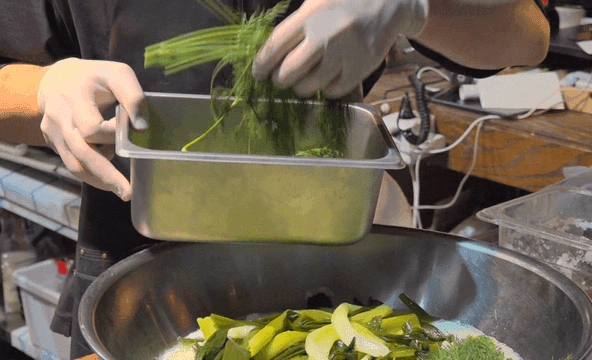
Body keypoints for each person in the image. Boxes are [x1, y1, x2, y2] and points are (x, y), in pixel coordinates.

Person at [0, 0, 549, 358]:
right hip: (141, 301)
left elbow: (526, 36)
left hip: (334, 268)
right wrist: (46, 88)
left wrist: (414, 4)